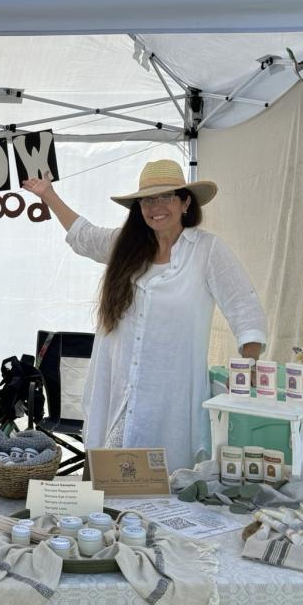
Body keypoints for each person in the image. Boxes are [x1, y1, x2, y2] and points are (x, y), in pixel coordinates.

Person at [22, 159, 266, 471]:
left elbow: (243, 306)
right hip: (119, 391)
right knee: (111, 483)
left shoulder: (206, 251)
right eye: (147, 200)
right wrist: (49, 195)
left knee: (165, 481)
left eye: (166, 197)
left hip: (170, 399)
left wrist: (248, 366)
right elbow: (85, 235)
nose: (156, 207)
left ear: (185, 203)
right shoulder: (125, 246)